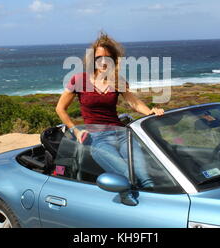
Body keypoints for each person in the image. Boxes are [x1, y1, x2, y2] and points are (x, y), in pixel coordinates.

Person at [55, 31, 164, 188]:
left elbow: (134, 103)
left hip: (122, 134)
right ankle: (129, 199)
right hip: (97, 138)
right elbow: (60, 108)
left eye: (108, 58)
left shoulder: (117, 81)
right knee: (128, 174)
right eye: (99, 58)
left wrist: (150, 112)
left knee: (144, 175)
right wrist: (76, 131)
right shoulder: (79, 80)